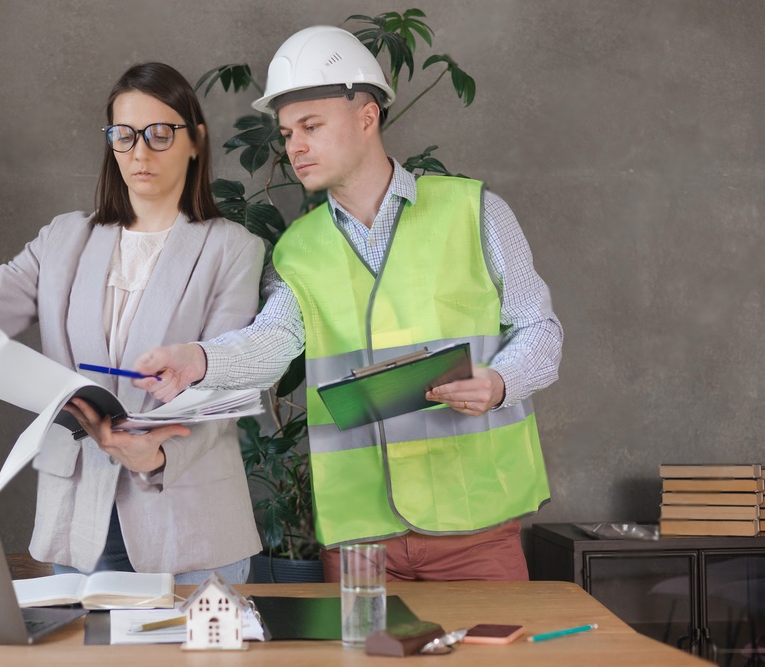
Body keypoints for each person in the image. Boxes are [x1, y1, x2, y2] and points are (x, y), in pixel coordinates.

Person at [133, 27, 564, 583]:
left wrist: (502, 382)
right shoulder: (297, 249)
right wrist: (199, 360)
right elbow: (272, 341)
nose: (294, 146)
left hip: (475, 524)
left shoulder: (475, 212)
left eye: (311, 126)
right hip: (361, 537)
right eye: (287, 132)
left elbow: (540, 329)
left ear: (367, 117)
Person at [0, 62, 264, 585]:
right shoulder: (63, 239)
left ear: (195, 140)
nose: (140, 152)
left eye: (159, 133)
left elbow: (225, 382)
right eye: (124, 135)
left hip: (189, 518)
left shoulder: (233, 248)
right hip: (80, 519)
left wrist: (156, 455)